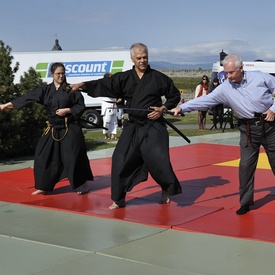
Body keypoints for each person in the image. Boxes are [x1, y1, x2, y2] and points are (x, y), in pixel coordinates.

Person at [70, 42, 182, 209]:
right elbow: (104, 84)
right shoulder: (124, 78)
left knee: (159, 161)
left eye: (145, 57)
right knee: (120, 159)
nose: (143, 60)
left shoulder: (159, 78)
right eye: (139, 58)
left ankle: (166, 189)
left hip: (154, 127)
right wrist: (83, 85)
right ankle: (118, 198)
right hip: (133, 126)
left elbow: (173, 96)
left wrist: (163, 108)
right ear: (132, 59)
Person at [171, 54, 275, 215]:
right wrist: (181, 108)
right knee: (245, 167)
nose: (229, 76)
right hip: (247, 129)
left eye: (232, 72)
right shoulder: (225, 87)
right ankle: (246, 202)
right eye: (226, 73)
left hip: (269, 127)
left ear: (241, 69)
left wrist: (273, 109)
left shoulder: (260, 77)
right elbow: (206, 100)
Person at [0, 62, 93, 195]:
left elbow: (80, 106)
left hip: (69, 127)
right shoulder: (46, 90)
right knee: (42, 156)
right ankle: (43, 186)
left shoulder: (71, 89)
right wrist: (5, 105)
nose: (61, 76)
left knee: (73, 156)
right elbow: (27, 98)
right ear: (52, 74)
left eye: (63, 73)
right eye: (58, 74)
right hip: (52, 128)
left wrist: (67, 110)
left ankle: (81, 184)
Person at [101, 73, 118, 140]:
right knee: (107, 121)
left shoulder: (114, 85)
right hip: (107, 104)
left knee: (114, 121)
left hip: (114, 104)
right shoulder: (103, 85)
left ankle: (113, 134)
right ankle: (106, 134)